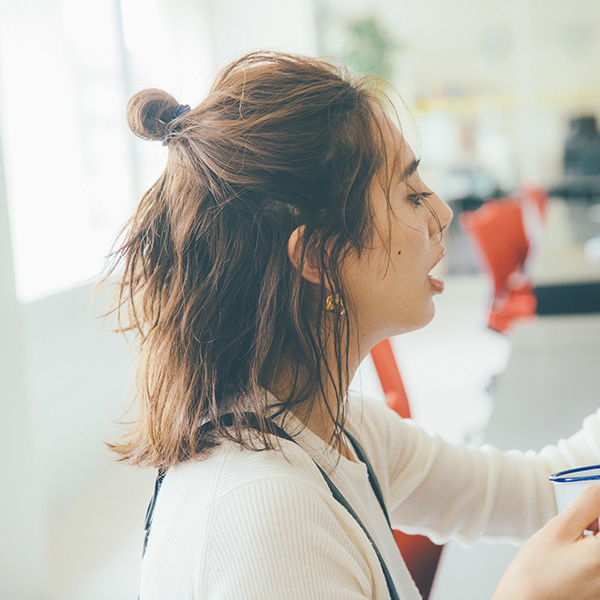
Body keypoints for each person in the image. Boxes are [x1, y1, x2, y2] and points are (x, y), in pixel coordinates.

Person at [103, 51, 600, 599]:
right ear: (318, 255)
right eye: (411, 194)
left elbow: (543, 488)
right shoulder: (261, 513)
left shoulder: (339, 426)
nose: (442, 214)